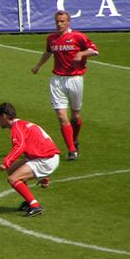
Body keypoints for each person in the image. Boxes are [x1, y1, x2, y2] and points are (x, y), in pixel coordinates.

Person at [30, 10, 99, 160]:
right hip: (57, 80)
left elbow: (94, 50)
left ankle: (74, 140)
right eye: (57, 21)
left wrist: (81, 54)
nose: (59, 24)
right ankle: (71, 150)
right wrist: (38, 66)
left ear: (68, 22)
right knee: (62, 116)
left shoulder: (78, 37)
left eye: (62, 21)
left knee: (75, 116)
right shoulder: (51, 38)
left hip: (75, 79)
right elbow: (48, 52)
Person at [0, 102, 60, 217]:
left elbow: (19, 146)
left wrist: (6, 162)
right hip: (46, 157)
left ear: (4, 116)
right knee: (12, 170)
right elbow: (37, 145)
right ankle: (29, 201)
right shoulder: (22, 124)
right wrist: (44, 176)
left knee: (13, 179)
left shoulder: (17, 128)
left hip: (45, 160)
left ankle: (35, 206)